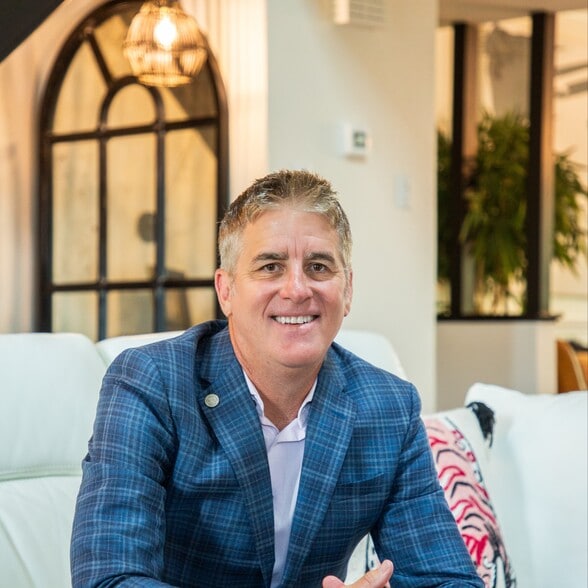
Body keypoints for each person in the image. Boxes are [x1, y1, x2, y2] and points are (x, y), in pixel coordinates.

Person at [70, 169, 483, 588]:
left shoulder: (389, 407)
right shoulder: (151, 383)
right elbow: (109, 578)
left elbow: (449, 580)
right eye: (270, 267)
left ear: (348, 290)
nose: (297, 289)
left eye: (319, 266)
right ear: (226, 291)